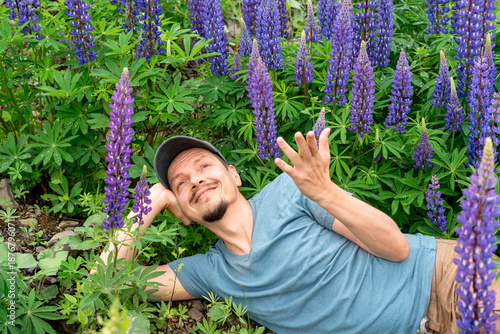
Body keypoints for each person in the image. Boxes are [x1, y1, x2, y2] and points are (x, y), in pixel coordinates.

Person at [99, 129, 500, 334]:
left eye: (205, 166)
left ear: (234, 175)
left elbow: (395, 247)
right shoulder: (210, 273)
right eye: (180, 182)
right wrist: (148, 201)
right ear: (183, 211)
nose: (196, 181)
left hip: (446, 279)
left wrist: (324, 190)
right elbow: (108, 280)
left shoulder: (291, 190)